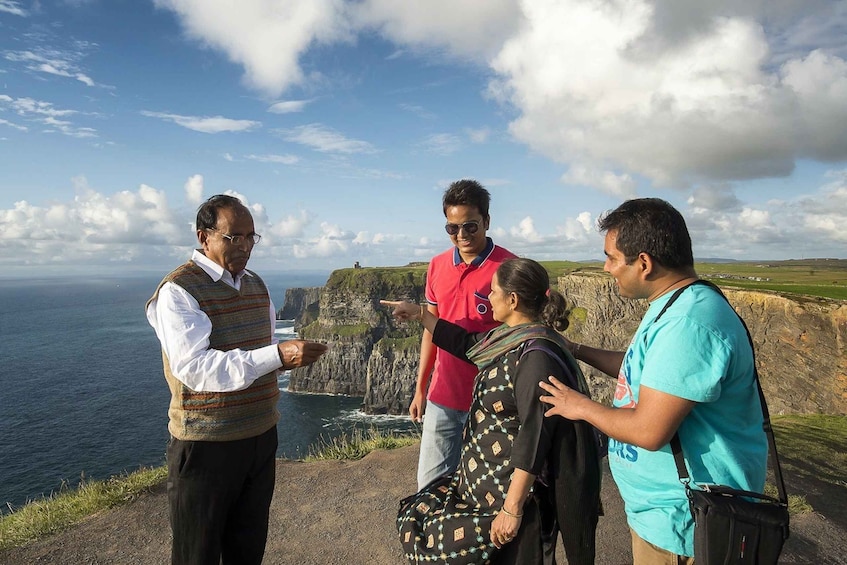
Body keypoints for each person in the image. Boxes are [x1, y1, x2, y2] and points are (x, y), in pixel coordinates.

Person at [538, 198, 768, 564]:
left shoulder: (687, 324)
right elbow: (643, 371)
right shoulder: (675, 304)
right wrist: (575, 348)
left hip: (686, 526)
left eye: (612, 257)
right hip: (668, 516)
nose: (607, 267)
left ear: (643, 263)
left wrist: (580, 406)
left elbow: (649, 430)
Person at [145, 194, 328, 565]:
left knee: (248, 547)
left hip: (260, 437)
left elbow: (255, 350)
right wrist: (277, 355)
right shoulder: (179, 291)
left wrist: (282, 359)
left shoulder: (256, 285)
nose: (244, 246)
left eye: (250, 237)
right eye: (233, 237)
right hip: (207, 444)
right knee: (197, 554)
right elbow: (195, 367)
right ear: (204, 237)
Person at [383, 258, 600, 565]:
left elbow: (534, 434)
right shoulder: (507, 339)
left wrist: (512, 509)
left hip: (506, 495)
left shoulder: (536, 356)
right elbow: (464, 343)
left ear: (512, 299)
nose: (488, 298)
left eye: (493, 291)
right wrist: (420, 314)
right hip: (484, 487)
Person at [411, 179, 517, 489]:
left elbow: (531, 328)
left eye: (470, 226)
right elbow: (432, 330)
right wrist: (421, 388)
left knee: (487, 491)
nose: (461, 235)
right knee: (429, 488)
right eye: (452, 228)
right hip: (443, 397)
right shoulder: (437, 265)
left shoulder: (509, 267)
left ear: (486, 221)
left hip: (492, 401)